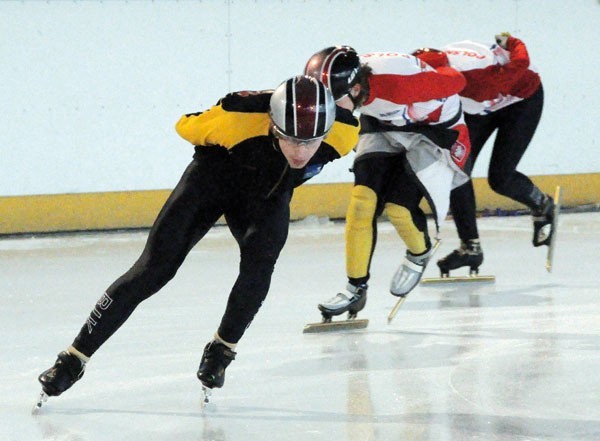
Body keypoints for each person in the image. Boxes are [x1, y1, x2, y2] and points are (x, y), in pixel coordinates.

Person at [37, 75, 360, 399]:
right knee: (154, 269)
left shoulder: (344, 135)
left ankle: (221, 350)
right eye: (291, 139)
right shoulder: (236, 117)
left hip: (266, 196)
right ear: (273, 124)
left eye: (311, 141)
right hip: (212, 180)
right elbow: (185, 125)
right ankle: (73, 358)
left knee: (259, 268)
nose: (301, 152)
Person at [304, 46, 471, 319]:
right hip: (384, 120)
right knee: (361, 204)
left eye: (333, 101)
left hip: (433, 130)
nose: (329, 108)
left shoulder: (400, 85)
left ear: (356, 90)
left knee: (399, 210)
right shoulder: (349, 85)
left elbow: (457, 80)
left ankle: (419, 252)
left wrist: (432, 63)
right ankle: (355, 288)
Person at [412, 33, 551, 277]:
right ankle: (471, 247)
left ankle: (542, 204)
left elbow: (520, 63)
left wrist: (513, 42)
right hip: (481, 101)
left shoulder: (477, 83)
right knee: (457, 171)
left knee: (501, 178)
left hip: (522, 99)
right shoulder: (431, 63)